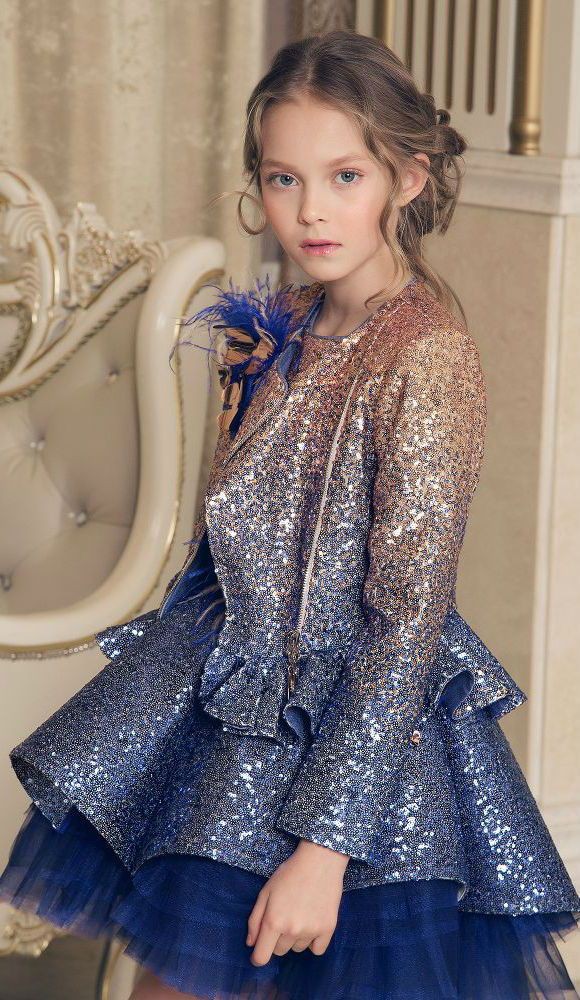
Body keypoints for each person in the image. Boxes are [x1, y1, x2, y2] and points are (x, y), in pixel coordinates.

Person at [1, 28, 579, 1000]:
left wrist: (323, 847)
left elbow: (404, 624)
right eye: (282, 178)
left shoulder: (425, 356)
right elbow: (234, 545)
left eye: (345, 176)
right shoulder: (279, 326)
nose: (310, 210)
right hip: (233, 729)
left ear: (406, 178)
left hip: (354, 757)